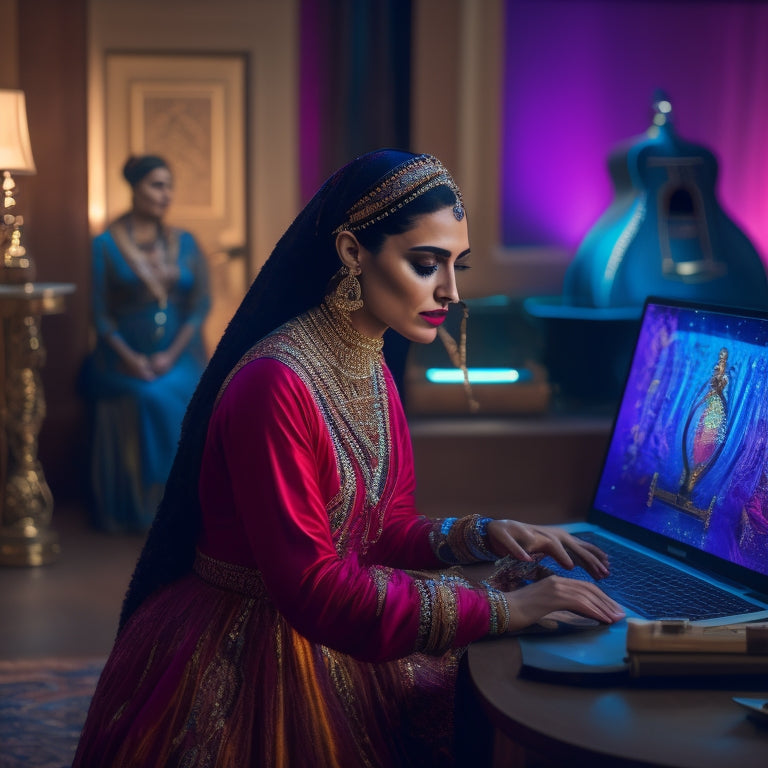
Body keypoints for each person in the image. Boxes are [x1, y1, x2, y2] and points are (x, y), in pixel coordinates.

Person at [73, 149, 623, 767]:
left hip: (334, 629)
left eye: (456, 265)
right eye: (425, 264)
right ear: (352, 252)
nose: (451, 291)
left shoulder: (370, 363)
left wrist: (485, 535)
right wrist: (502, 608)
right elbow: (311, 588)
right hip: (249, 650)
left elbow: (379, 531)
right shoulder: (275, 382)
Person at [81, 154, 211, 533]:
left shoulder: (185, 242)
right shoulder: (105, 245)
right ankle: (147, 510)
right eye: (157, 185)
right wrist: (133, 359)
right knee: (148, 396)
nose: (166, 194)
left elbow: (199, 305)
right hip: (121, 360)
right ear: (135, 189)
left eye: (169, 186)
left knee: (186, 391)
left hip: (178, 355)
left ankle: (184, 506)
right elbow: (100, 315)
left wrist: (171, 355)